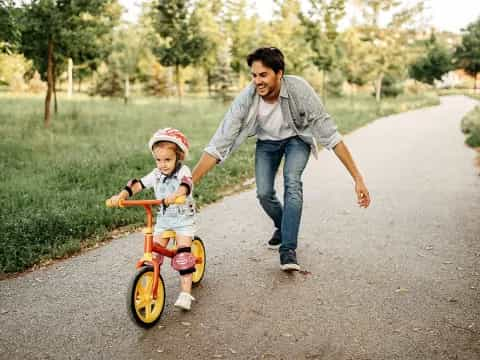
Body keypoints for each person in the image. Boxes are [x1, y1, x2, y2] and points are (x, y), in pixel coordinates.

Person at [192, 47, 371, 271]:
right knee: (264, 193)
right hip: (266, 143)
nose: (257, 81)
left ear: (279, 73)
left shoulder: (299, 90)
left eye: (263, 75)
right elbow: (219, 143)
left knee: (292, 181)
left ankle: (288, 249)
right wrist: (188, 182)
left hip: (296, 139)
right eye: (254, 75)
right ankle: (282, 224)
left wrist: (358, 178)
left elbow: (331, 136)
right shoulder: (246, 100)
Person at [107, 128, 197, 310]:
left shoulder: (183, 171)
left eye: (167, 160)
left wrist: (177, 194)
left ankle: (186, 293)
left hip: (183, 219)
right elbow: (138, 184)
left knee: (183, 256)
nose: (162, 165)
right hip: (164, 220)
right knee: (153, 255)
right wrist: (122, 195)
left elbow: (186, 183)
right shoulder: (156, 174)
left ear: (178, 157)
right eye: (158, 160)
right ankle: (149, 285)